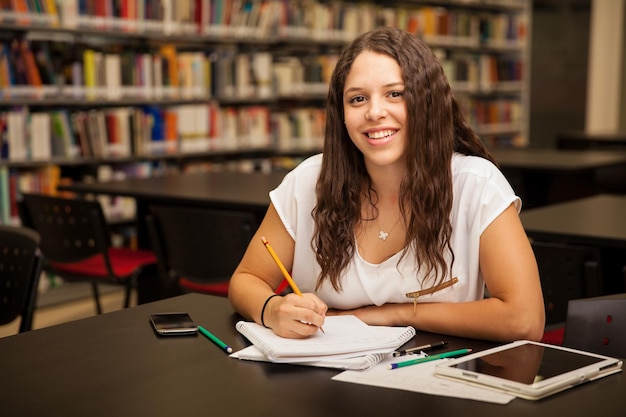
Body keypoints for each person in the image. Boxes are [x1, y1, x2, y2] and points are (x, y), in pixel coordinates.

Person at [228, 27, 545, 342]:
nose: (374, 112)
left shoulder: (477, 185)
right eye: (358, 99)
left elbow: (524, 320)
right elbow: (247, 279)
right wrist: (272, 309)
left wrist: (390, 314)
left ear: (426, 101)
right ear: (341, 113)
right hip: (322, 383)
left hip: (435, 380)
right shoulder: (308, 181)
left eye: (395, 94)